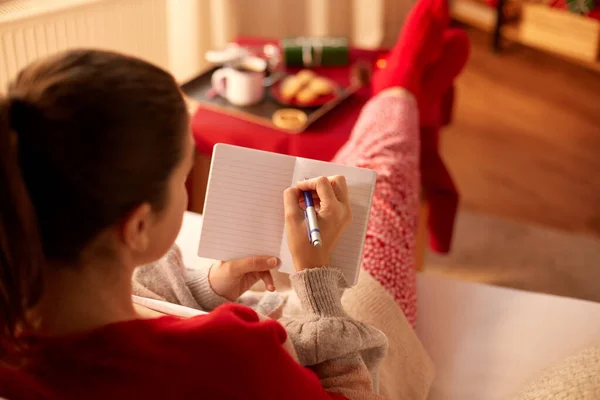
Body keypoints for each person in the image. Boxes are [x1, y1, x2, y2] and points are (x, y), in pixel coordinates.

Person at [0, 0, 468, 399]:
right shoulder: (231, 354)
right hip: (328, 345)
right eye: (185, 174)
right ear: (137, 227)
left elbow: (144, 300)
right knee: (379, 195)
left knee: (363, 169)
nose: (188, 188)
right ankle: (400, 90)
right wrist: (316, 279)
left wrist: (210, 287)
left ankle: (400, 96)